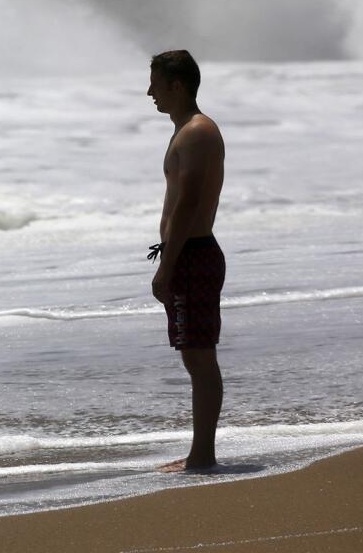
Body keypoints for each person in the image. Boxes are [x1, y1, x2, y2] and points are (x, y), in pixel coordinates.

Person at [147, 50, 227, 473]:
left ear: (176, 85)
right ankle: (201, 452)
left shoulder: (196, 132)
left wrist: (167, 266)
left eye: (155, 84)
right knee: (195, 356)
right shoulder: (187, 130)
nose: (150, 93)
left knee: (199, 357)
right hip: (189, 252)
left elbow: (189, 203)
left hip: (193, 254)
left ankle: (203, 456)